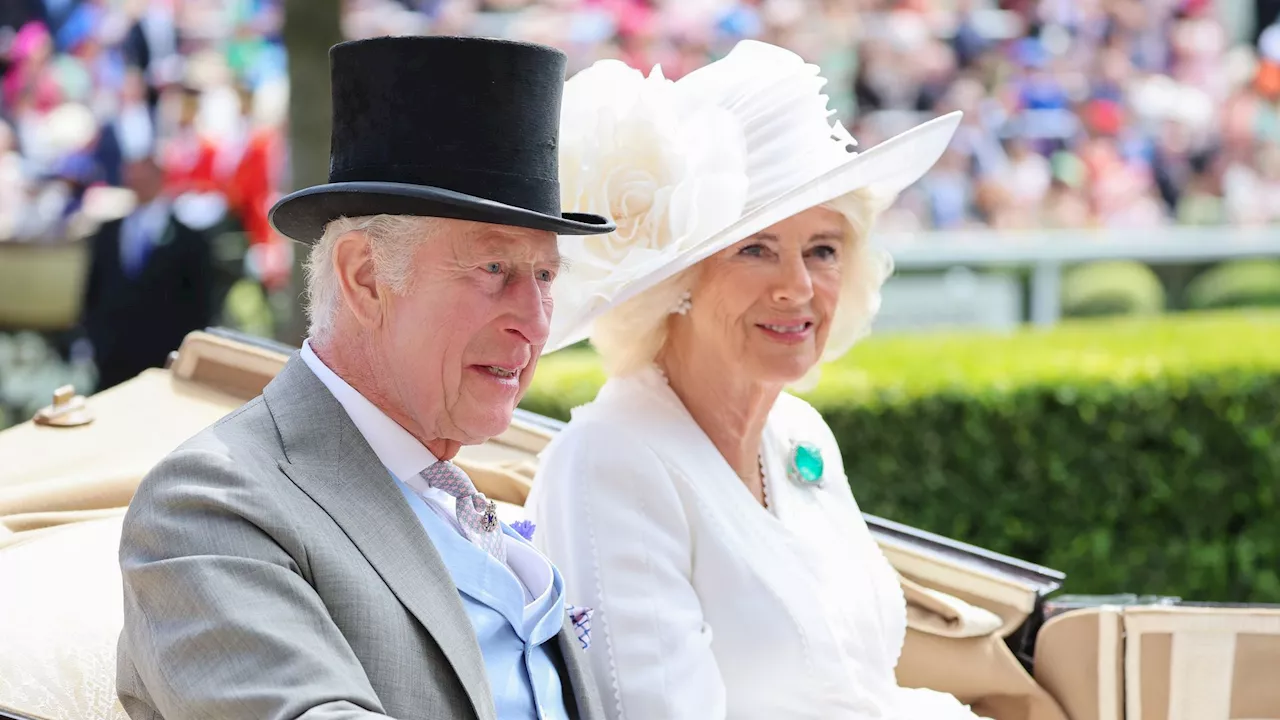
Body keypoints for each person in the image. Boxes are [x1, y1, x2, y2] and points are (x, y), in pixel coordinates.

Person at [115, 36, 615, 720]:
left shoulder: (474, 492)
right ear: (365, 276)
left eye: (546, 276)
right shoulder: (212, 503)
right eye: (493, 270)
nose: (534, 322)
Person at [526, 41, 984, 719]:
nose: (796, 287)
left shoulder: (800, 432)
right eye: (756, 250)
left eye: (822, 250)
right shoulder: (610, 462)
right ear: (680, 280)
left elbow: (859, 691)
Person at [81, 152, 216, 391]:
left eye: (145, 175)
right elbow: (92, 293)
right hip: (113, 361)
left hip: (163, 359)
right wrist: (97, 340)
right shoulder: (108, 233)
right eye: (133, 175)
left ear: (160, 178)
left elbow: (201, 303)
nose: (138, 181)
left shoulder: (189, 240)